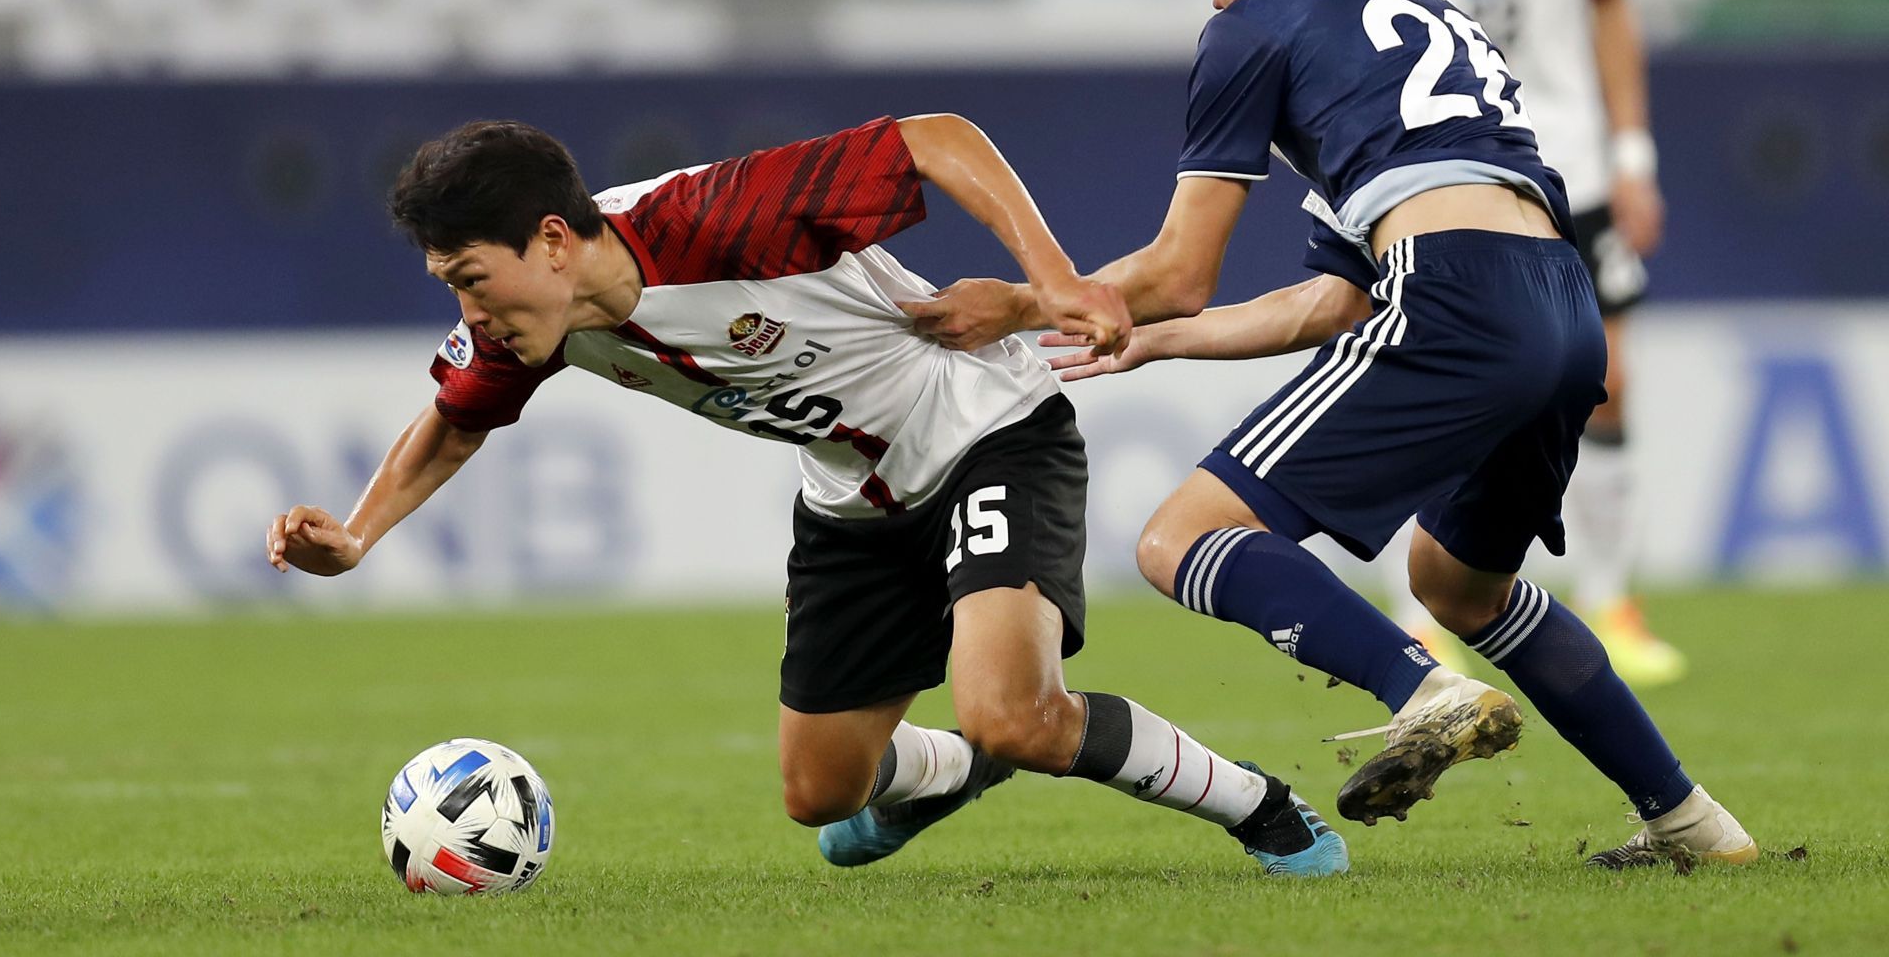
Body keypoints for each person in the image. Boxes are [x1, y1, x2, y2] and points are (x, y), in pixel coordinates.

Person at [907, 0, 1754, 869]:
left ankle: (1423, 687)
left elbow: (1177, 268)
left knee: (1178, 537)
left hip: (1452, 289)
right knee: (1462, 583)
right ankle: (1696, 825)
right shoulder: (1416, 10)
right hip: (1559, 298)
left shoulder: (1251, 24)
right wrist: (1154, 338)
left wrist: (1025, 302)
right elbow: (1336, 300)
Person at [263, 113, 1348, 877]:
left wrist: (1053, 279)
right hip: (850, 500)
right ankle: (960, 770)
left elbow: (937, 138)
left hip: (981, 429)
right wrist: (357, 535)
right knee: (822, 793)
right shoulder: (530, 322)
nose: (468, 308)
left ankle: (1262, 805)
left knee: (1015, 709)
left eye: (468, 275)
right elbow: (454, 418)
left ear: (551, 239)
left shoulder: (714, 217)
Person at [1367, 0, 1683, 685]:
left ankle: (1612, 601)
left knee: (1606, 382)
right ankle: (1415, 618)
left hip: (1576, 161)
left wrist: (1634, 153)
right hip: (1447, 166)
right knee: (1427, 383)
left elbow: (1610, 12)